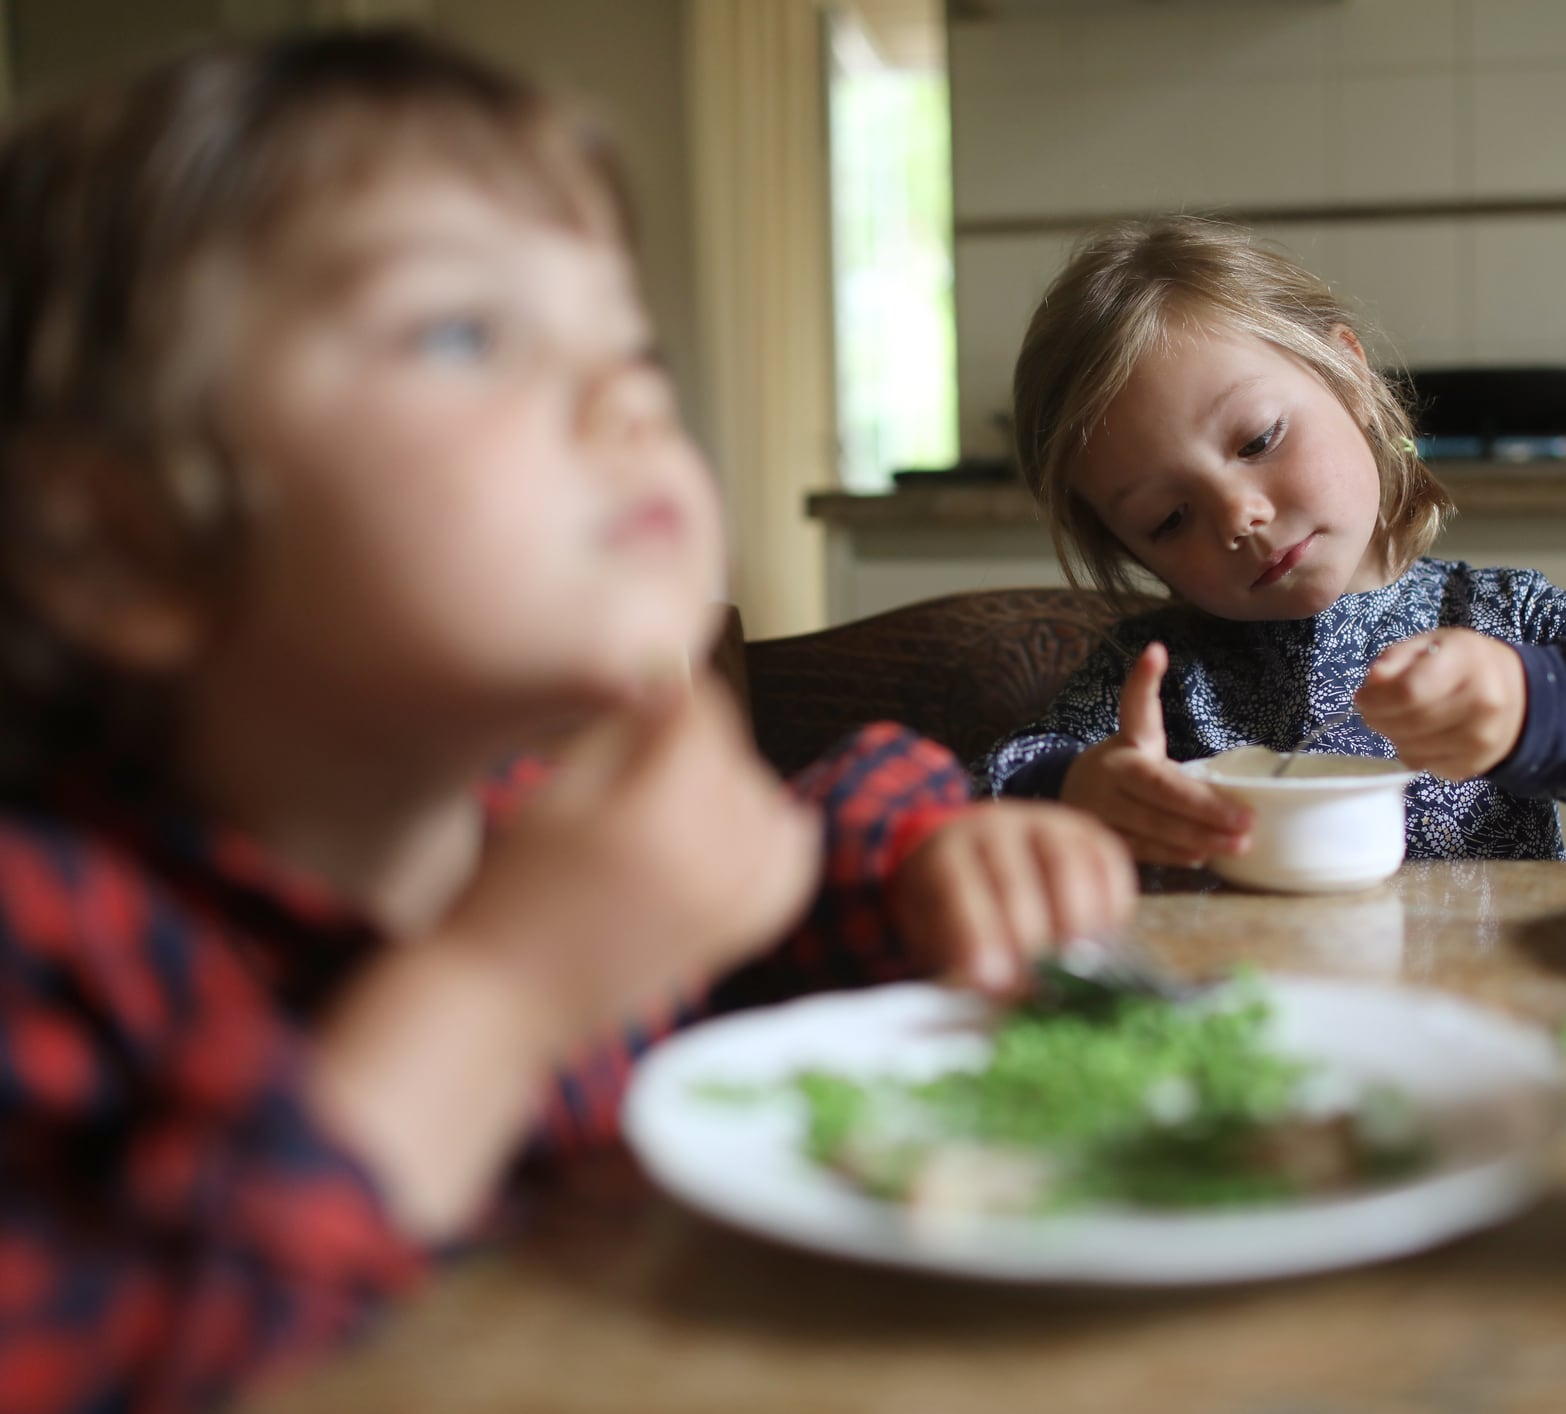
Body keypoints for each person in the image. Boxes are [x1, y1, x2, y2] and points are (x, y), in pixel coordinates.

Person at [0, 31, 1133, 1413]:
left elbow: (765, 885)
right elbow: (106, 1346)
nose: (630, 399)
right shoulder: (49, 931)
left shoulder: (515, 821)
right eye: (464, 332)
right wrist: (501, 993)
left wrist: (921, 865)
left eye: (631, 347)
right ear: (129, 549)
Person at [977, 216, 1566, 864]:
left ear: (1352, 380)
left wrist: (1542, 709)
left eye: (1259, 439)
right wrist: (1075, 787)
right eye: (1168, 519)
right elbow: (982, 803)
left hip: (1484, 1022)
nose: (1237, 517)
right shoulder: (1152, 678)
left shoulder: (1501, 620)